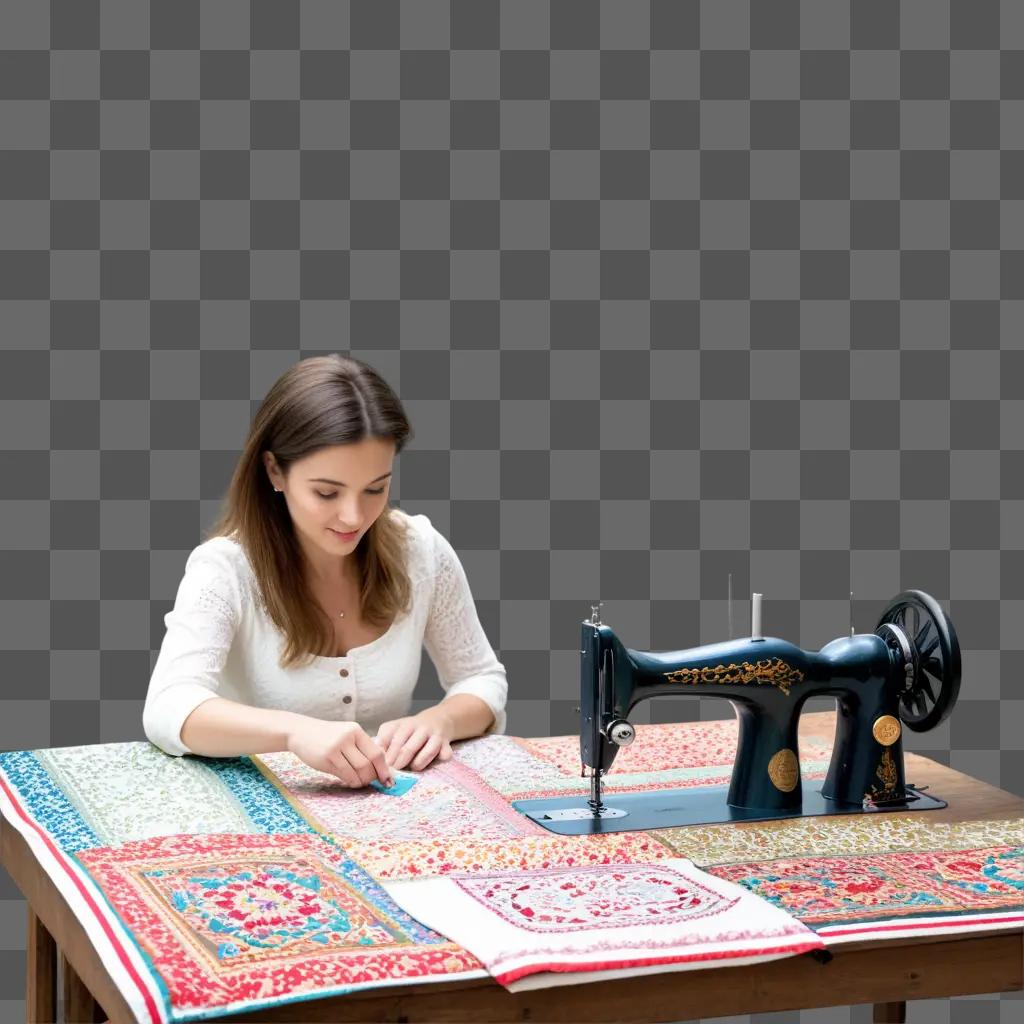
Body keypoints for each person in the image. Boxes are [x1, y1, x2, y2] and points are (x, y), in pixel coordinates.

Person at [143, 354, 508, 789]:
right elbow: (169, 706)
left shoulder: (420, 553)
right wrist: (294, 732)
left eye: (376, 488)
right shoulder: (226, 571)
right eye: (327, 492)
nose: (354, 516)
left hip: (385, 818)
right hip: (258, 820)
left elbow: (481, 678)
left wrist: (441, 720)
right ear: (275, 470)